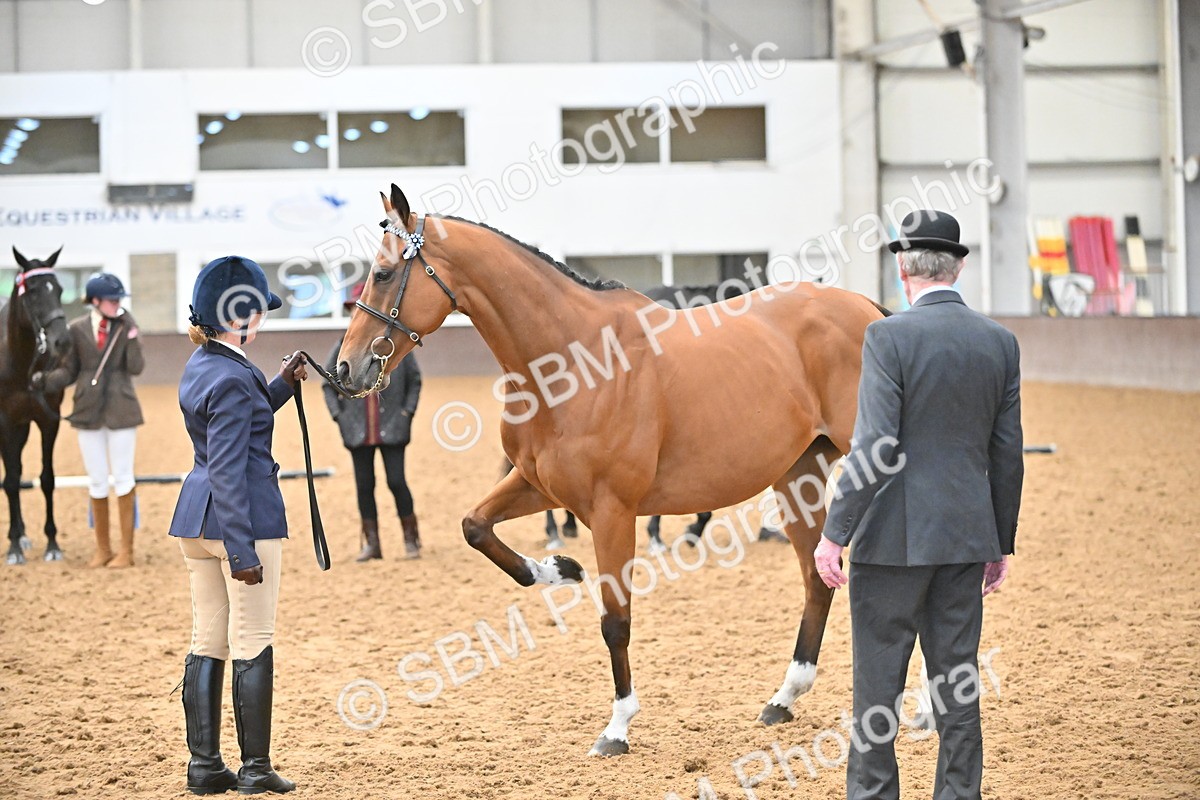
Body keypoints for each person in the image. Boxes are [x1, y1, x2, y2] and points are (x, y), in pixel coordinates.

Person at [813, 210, 1023, 800]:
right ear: (959, 266)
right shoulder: (999, 343)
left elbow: (877, 445)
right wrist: (1000, 541)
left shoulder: (887, 336)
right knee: (957, 688)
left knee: (877, 692)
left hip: (892, 543)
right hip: (965, 538)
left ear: (903, 270)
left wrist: (835, 532)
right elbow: (1007, 455)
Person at [167, 255, 308, 795]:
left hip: (195, 521)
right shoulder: (229, 376)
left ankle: (204, 767)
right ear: (240, 316)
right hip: (239, 519)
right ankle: (255, 768)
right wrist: (243, 548)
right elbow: (229, 467)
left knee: (209, 638)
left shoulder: (206, 364)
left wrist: (281, 384)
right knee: (253, 638)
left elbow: (240, 421)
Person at [35, 273, 144, 568]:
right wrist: (46, 381)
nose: (117, 304)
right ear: (95, 301)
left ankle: (127, 551)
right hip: (88, 410)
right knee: (96, 479)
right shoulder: (76, 329)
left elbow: (136, 367)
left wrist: (132, 334)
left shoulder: (126, 326)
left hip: (121, 408)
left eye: (119, 299)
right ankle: (103, 548)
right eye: (112, 300)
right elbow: (69, 370)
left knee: (123, 477)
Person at [324, 284, 422, 561]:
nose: (355, 313)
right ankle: (372, 544)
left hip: (393, 428)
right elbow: (328, 384)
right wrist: (339, 416)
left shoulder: (393, 344)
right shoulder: (342, 346)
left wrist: (406, 413)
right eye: (352, 308)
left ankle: (411, 539)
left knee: (396, 481)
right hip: (357, 431)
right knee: (364, 487)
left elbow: (414, 380)